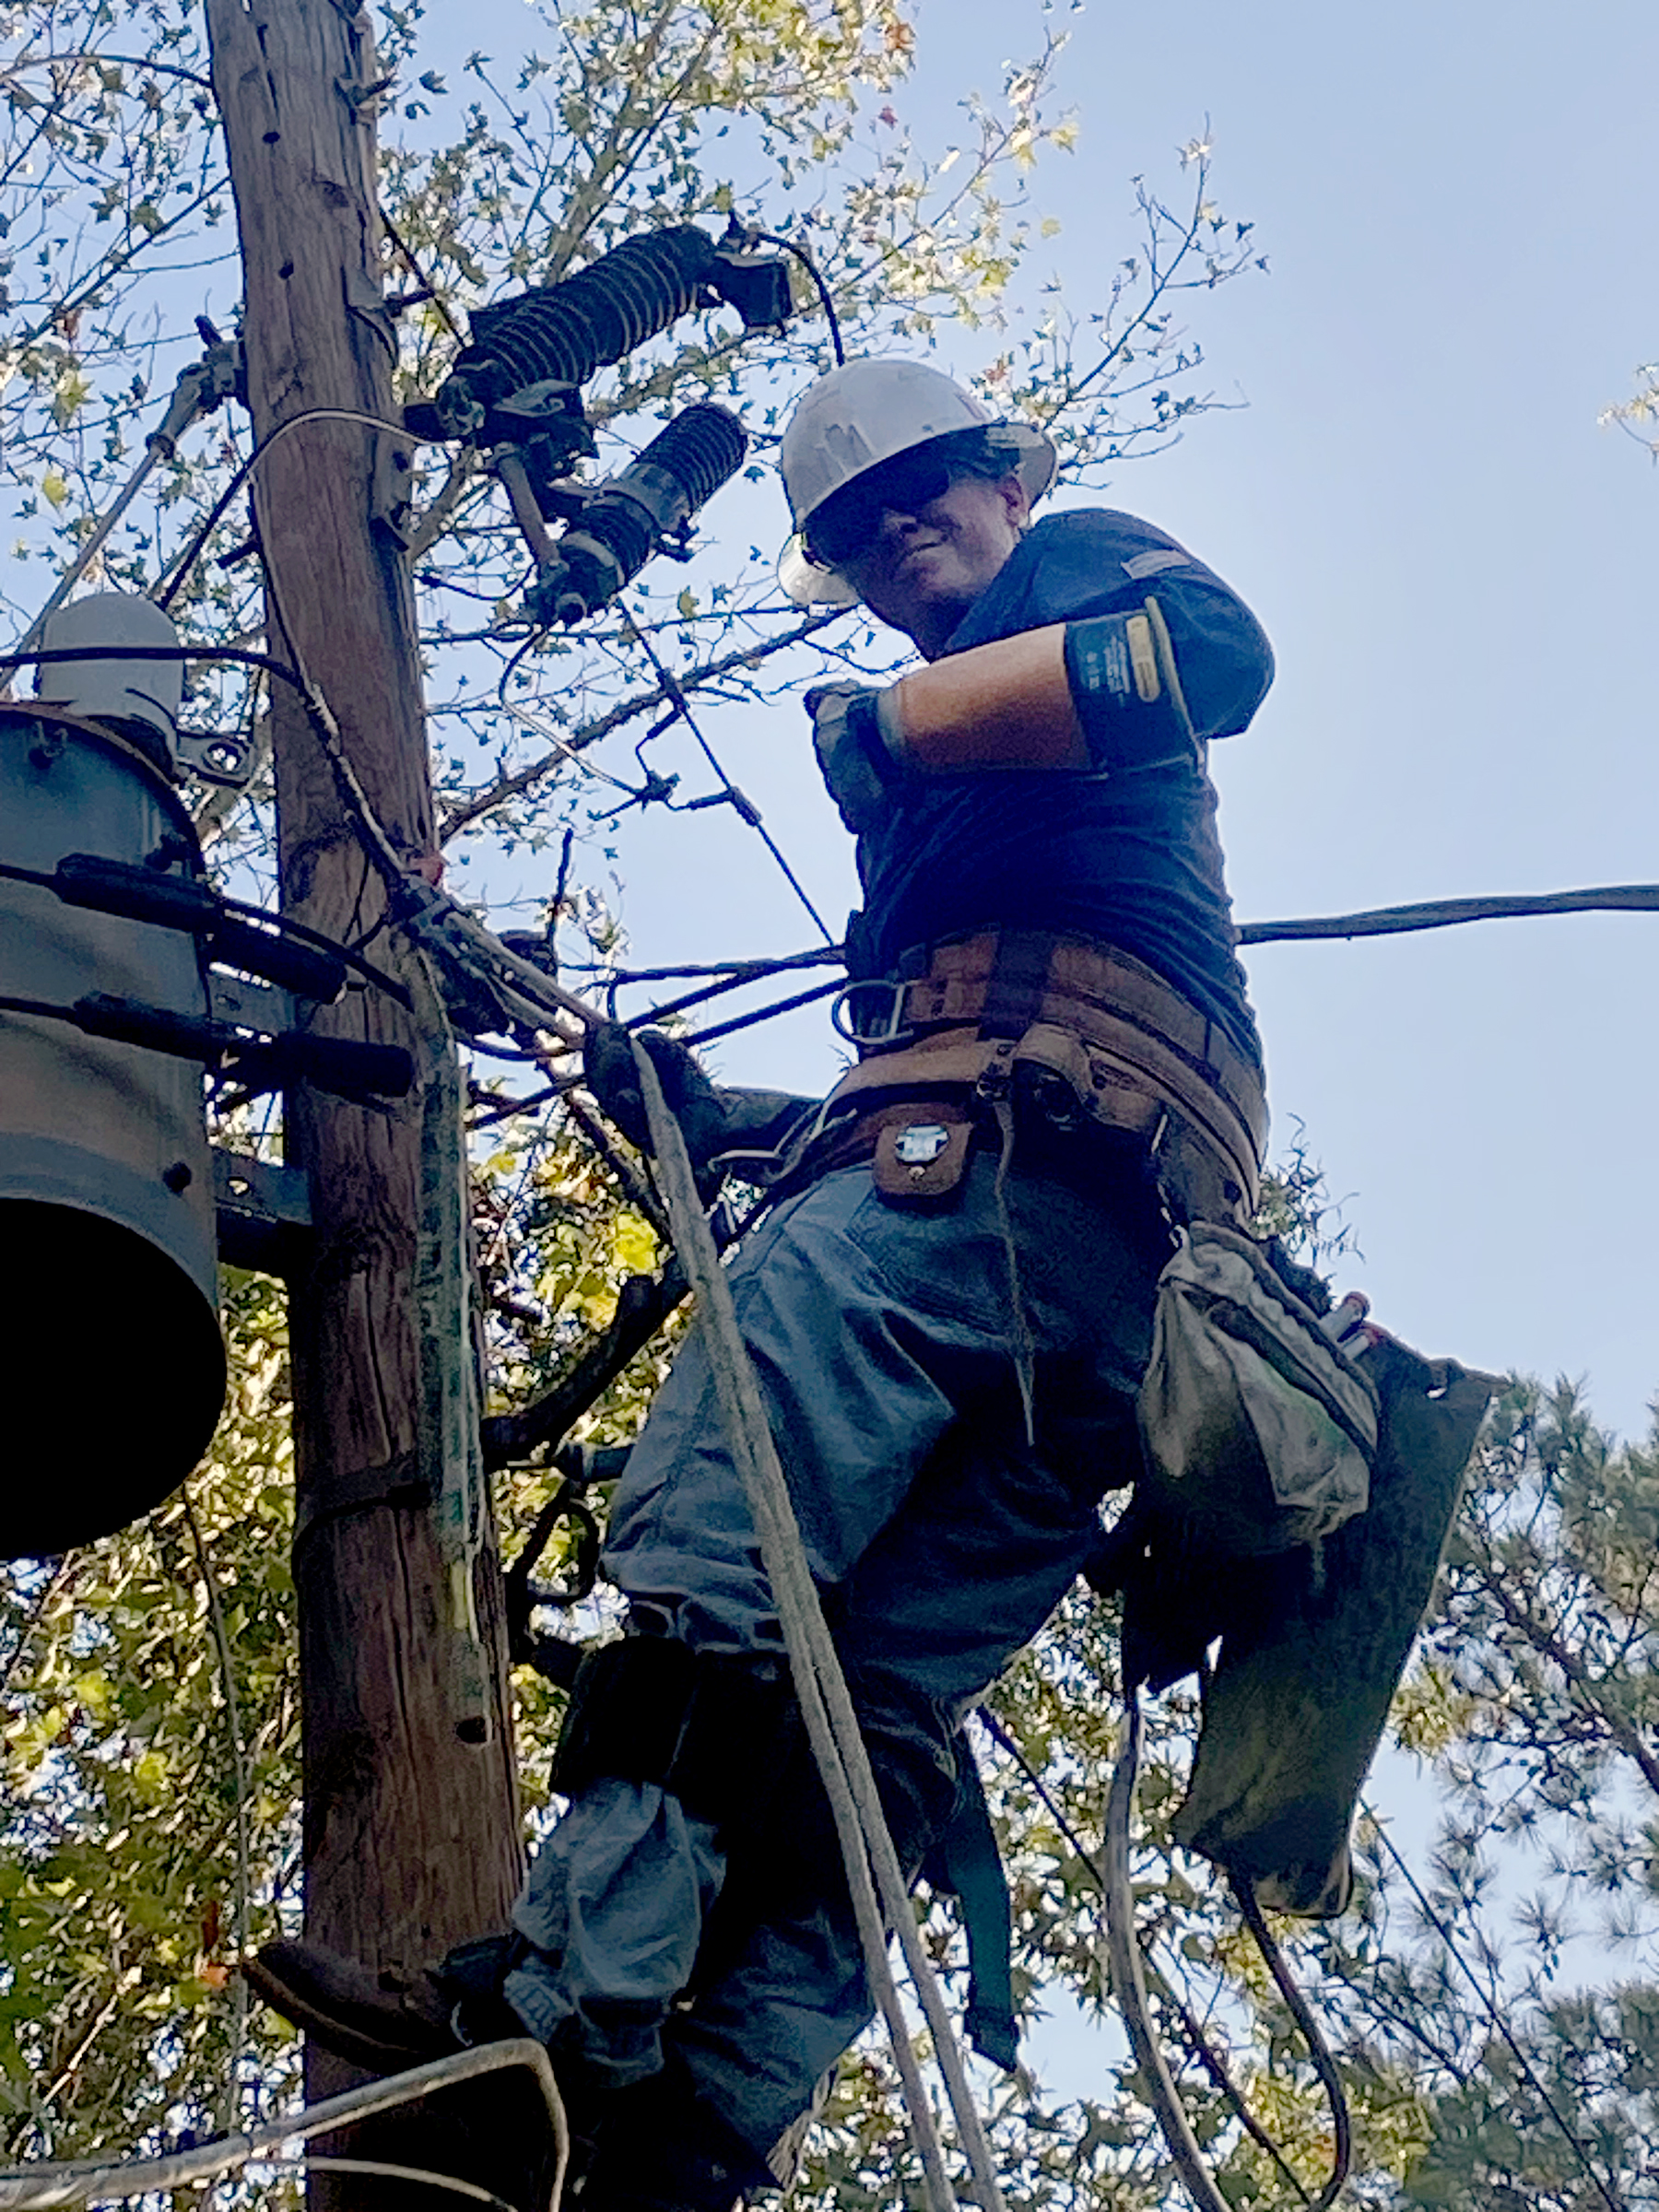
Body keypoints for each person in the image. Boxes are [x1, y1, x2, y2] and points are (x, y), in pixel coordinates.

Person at [248, 358, 1276, 2211]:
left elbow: (1213, 650)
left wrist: (896, 730)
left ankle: (563, 2023)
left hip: (994, 1185)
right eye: (858, 537)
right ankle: (704, 2127)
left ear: (1000, 478)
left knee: (714, 1540)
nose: (901, 540)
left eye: (926, 496)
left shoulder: (1080, 574)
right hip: (1091, 1283)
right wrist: (698, 1107)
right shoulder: (984, 833)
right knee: (865, 1722)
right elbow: (979, 1013)